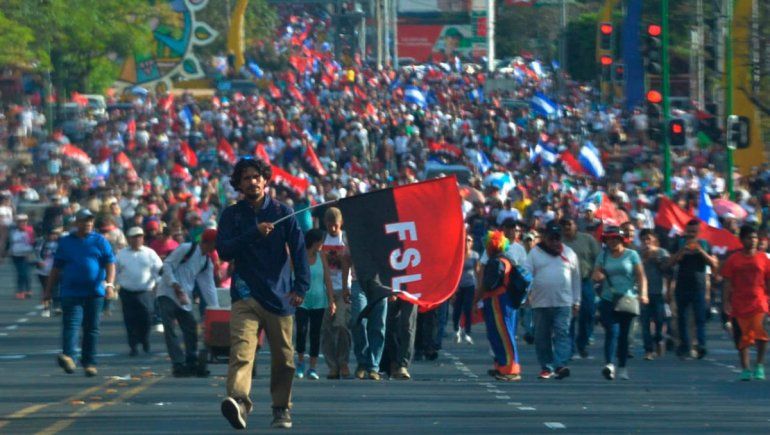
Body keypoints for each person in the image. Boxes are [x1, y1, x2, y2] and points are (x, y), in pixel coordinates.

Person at [217, 158, 309, 430]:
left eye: (256, 177)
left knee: (284, 358)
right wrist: (253, 233)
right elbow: (224, 251)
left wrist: (301, 287)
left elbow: (299, 251)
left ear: (265, 180)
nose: (252, 182)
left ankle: (281, 408)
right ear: (238, 184)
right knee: (241, 351)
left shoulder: (282, 212)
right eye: (246, 178)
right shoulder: (231, 215)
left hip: (279, 296)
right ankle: (239, 402)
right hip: (245, 294)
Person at [43, 209, 116, 377]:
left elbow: (110, 263)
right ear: (77, 223)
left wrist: (110, 285)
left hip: (95, 292)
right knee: (71, 324)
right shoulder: (66, 242)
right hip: (71, 291)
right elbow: (56, 268)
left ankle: (89, 363)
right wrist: (48, 291)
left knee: (92, 328)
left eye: (90, 221)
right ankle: (69, 357)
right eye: (84, 221)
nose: (88, 224)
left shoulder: (100, 241)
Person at [157, 228, 219, 377]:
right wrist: (174, 284)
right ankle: (178, 363)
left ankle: (191, 361)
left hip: (184, 297)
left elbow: (208, 287)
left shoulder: (206, 261)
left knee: (191, 328)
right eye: (215, 244)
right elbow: (167, 265)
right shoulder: (187, 248)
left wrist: (216, 309)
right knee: (170, 329)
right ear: (208, 242)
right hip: (167, 292)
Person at [524, 222, 581, 380]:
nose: (555, 242)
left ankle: (560, 365)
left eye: (558, 238)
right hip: (540, 303)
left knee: (562, 333)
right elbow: (526, 274)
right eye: (551, 238)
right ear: (545, 238)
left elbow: (576, 279)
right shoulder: (535, 253)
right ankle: (546, 367)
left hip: (564, 302)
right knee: (542, 337)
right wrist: (526, 294)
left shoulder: (569, 253)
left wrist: (577, 301)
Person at [592, 226, 648, 381]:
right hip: (608, 299)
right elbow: (595, 273)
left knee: (624, 336)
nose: (612, 241)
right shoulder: (603, 256)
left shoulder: (632, 255)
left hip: (627, 299)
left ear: (622, 240)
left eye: (615, 238)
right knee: (612, 331)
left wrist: (643, 294)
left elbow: (641, 276)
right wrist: (598, 275)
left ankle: (622, 366)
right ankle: (609, 364)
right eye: (609, 239)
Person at [720, 224, 770, 381]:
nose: (753, 240)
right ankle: (746, 368)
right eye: (749, 238)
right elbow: (727, 282)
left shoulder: (763, 258)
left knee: (761, 332)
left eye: (755, 237)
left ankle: (759, 365)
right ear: (742, 240)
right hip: (739, 303)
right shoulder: (733, 260)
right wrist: (725, 302)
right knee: (742, 337)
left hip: (759, 301)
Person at [474, 230, 522, 382]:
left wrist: (475, 300)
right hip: (501, 301)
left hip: (498, 301)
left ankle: (511, 369)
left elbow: (487, 285)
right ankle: (501, 365)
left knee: (503, 335)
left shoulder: (496, 262)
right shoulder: (505, 260)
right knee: (496, 334)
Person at [668, 219, 719, 359]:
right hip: (682, 285)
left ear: (698, 232)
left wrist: (701, 251)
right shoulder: (679, 243)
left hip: (699, 286)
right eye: (689, 231)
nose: (691, 234)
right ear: (686, 231)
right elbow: (670, 262)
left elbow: (714, 264)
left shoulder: (704, 244)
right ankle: (684, 345)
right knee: (682, 318)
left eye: (694, 232)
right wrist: (682, 251)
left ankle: (701, 345)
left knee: (700, 318)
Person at [115, 226, 163, 356]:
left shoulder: (150, 253)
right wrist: (113, 285)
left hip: (145, 291)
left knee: (146, 316)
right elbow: (115, 271)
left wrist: (158, 283)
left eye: (139, 237)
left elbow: (159, 270)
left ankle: (144, 339)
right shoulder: (122, 254)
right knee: (130, 319)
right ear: (129, 239)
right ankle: (133, 345)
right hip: (127, 291)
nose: (137, 239)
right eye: (134, 237)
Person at [560, 217, 600, 359]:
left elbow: (598, 258)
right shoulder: (559, 242)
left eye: (569, 224)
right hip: (566, 284)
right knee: (568, 316)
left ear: (575, 225)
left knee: (588, 313)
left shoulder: (587, 239)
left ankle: (582, 342)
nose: (567, 227)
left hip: (585, 281)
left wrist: (597, 273)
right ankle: (569, 349)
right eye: (564, 225)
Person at [320, 207, 352, 379]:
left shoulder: (345, 239)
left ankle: (343, 361)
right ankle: (332, 365)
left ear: (341, 223)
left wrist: (347, 287)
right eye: (329, 225)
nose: (333, 229)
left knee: (341, 325)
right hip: (325, 289)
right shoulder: (322, 239)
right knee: (326, 329)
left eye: (336, 226)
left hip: (343, 287)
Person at [296, 229, 332, 381]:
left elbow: (327, 279)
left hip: (319, 300)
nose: (322, 244)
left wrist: (331, 301)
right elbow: (291, 275)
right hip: (302, 300)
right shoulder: (299, 256)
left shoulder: (321, 256)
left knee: (315, 333)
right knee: (301, 331)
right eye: (321, 242)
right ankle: (300, 363)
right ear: (315, 242)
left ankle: (312, 367)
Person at [638, 229, 670, 360]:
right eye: (644, 239)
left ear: (654, 239)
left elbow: (667, 270)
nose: (646, 242)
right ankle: (648, 350)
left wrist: (657, 260)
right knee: (645, 323)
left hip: (658, 292)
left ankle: (658, 340)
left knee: (659, 321)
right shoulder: (637, 253)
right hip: (643, 293)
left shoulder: (662, 252)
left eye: (648, 239)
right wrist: (644, 259)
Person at [453, 234, 479, 344]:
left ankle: (468, 332)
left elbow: (477, 272)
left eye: (469, 240)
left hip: (470, 285)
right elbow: (453, 270)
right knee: (457, 310)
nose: (467, 242)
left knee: (468, 309)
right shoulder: (457, 254)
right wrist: (453, 288)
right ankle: (456, 330)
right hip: (459, 286)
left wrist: (478, 287)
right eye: (465, 240)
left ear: (472, 243)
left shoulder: (475, 255)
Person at [36, 227, 63, 317]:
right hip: (43, 270)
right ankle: (46, 308)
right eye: (51, 234)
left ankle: (57, 306)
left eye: (55, 234)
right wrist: (39, 261)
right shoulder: (41, 243)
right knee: (45, 289)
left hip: (56, 269)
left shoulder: (61, 243)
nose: (53, 236)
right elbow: (36, 253)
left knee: (56, 289)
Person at [9, 214, 35, 299]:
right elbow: (9, 242)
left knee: (26, 273)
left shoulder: (30, 231)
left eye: (24, 221)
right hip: (16, 255)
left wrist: (32, 253)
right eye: (20, 222)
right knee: (21, 273)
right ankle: (21, 291)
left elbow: (34, 243)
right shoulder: (13, 231)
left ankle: (28, 290)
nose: (22, 223)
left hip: (27, 255)